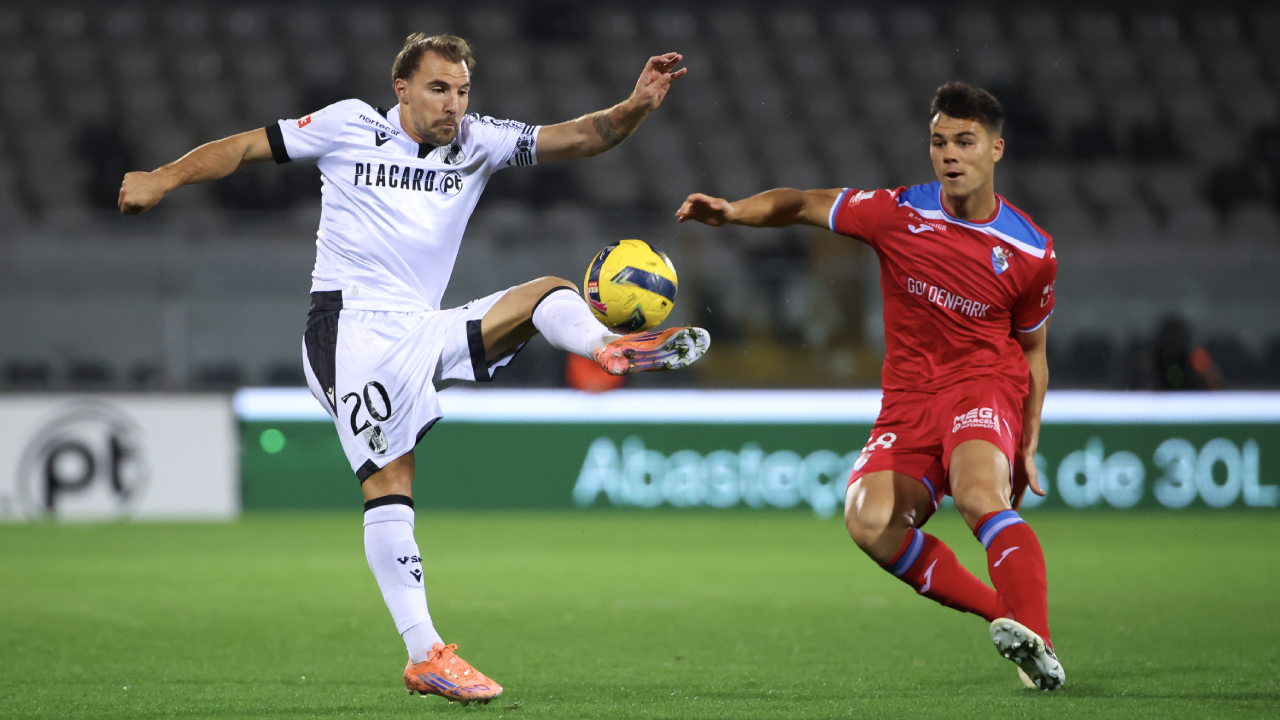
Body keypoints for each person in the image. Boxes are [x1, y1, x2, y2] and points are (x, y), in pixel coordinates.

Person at [119, 33, 709, 704]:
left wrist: (637, 104)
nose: (453, 104)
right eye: (438, 89)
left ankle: (605, 347)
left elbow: (584, 136)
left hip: (421, 327)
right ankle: (424, 651)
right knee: (391, 478)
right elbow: (248, 146)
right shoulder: (349, 126)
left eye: (461, 91)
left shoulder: (478, 142)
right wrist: (164, 177)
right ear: (401, 89)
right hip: (350, 329)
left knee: (544, 292)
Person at [676, 82, 1063, 690]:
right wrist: (732, 212)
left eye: (965, 142)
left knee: (977, 495)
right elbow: (804, 203)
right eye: (939, 143)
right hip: (908, 401)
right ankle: (1008, 622)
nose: (949, 155)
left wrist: (1030, 434)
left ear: (996, 150)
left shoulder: (1030, 250)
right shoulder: (896, 212)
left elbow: (1034, 350)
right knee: (869, 521)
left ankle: (1039, 642)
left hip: (982, 387)